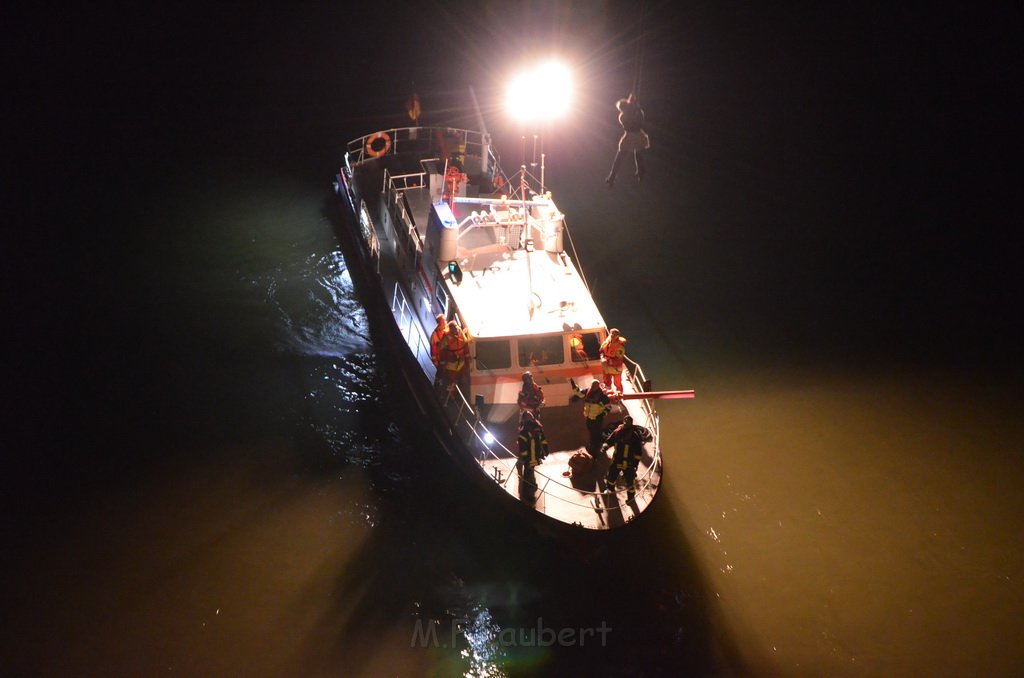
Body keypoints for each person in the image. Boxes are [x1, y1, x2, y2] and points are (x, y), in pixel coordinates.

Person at [605, 93, 650, 188]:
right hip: (633, 135)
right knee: (633, 155)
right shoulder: (623, 117)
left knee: (627, 156)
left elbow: (640, 121)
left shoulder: (629, 113)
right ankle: (613, 176)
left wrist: (635, 107)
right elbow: (638, 121)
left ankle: (614, 176)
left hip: (633, 135)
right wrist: (636, 108)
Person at [602, 415, 653, 498]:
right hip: (617, 459)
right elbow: (610, 441)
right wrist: (605, 447)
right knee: (611, 476)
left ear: (631, 424)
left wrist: (635, 464)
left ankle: (630, 497)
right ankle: (610, 489)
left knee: (629, 481)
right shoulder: (617, 432)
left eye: (628, 422)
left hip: (629, 463)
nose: (626, 423)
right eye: (625, 421)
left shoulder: (634, 437)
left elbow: (638, 453)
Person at [571, 378, 611, 457]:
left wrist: (602, 415)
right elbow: (579, 392)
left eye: (594, 385)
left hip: (597, 418)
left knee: (596, 433)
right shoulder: (587, 392)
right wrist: (573, 385)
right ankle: (594, 444)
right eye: (592, 385)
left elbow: (608, 407)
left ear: (598, 386)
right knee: (591, 431)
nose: (593, 387)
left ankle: (594, 447)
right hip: (589, 417)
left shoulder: (603, 397)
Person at [516, 410, 550, 490]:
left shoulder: (523, 431)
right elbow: (543, 440)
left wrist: (524, 458)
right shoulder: (538, 427)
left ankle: (528, 487)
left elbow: (522, 447)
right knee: (530, 471)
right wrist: (546, 449)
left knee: (528, 472)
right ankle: (530, 487)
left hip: (529, 457)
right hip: (535, 455)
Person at [438, 320, 468, 391]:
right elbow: (442, 351)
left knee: (458, 379)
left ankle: (456, 391)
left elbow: (465, 344)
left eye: (456, 327)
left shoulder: (461, 334)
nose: (456, 328)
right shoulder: (446, 338)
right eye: (454, 327)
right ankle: (450, 395)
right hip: (450, 365)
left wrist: (467, 358)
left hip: (461, 363)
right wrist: (442, 363)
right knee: (450, 381)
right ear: (450, 328)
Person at [599, 328, 627, 393]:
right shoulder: (607, 342)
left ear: (617, 336)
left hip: (616, 368)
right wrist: (602, 357)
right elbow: (601, 351)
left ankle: (620, 395)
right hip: (606, 366)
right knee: (607, 382)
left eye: (614, 335)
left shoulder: (620, 347)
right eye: (611, 334)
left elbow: (619, 357)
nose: (612, 336)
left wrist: (609, 360)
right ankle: (608, 393)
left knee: (617, 383)